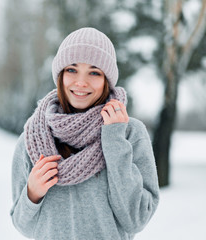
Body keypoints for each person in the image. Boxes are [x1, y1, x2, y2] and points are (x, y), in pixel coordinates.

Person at [10, 27, 159, 240]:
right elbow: (23, 226)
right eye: (72, 69)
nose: (81, 82)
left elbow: (136, 219)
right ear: (60, 75)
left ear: (107, 80)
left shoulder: (129, 133)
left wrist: (114, 141)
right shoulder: (32, 139)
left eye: (94, 72)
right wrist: (32, 194)